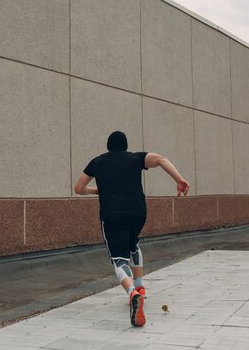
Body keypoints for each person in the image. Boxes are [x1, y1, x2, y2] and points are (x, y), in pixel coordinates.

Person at [74, 131, 190, 327]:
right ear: (125, 146)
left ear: (108, 146)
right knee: (133, 243)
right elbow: (161, 159)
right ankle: (140, 287)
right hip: (138, 213)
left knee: (119, 258)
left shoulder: (97, 162)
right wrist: (179, 179)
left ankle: (132, 293)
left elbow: (78, 188)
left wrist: (95, 190)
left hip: (112, 215)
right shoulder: (136, 158)